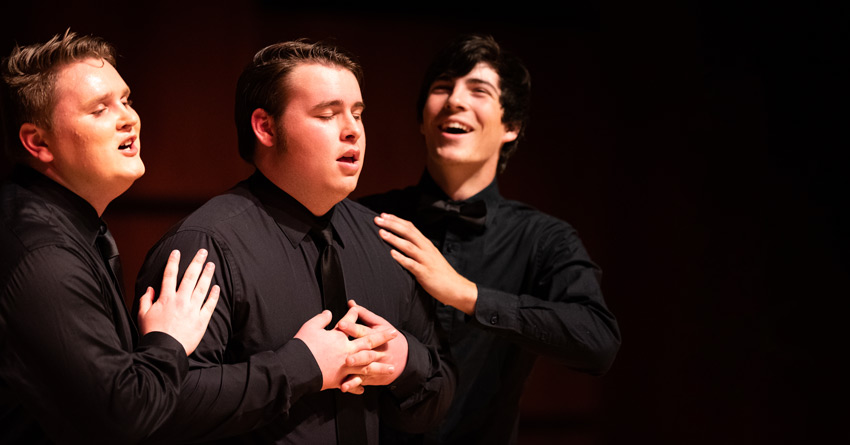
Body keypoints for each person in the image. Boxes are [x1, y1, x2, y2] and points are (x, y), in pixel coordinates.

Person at [134, 40, 455, 443]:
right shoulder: (205, 247)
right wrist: (303, 365)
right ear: (265, 127)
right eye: (327, 114)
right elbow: (165, 408)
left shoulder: (384, 239)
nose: (353, 130)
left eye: (357, 114)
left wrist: (404, 362)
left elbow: (438, 396)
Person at [360, 34, 621, 443]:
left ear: (511, 127)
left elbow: (598, 341)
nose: (454, 100)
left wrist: (467, 295)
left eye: (477, 90)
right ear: (422, 120)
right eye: (442, 87)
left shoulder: (543, 238)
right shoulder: (363, 219)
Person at [0, 30, 221, 442]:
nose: (129, 118)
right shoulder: (43, 253)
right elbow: (120, 417)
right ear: (38, 142)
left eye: (126, 100)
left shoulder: (60, 225)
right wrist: (168, 340)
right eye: (100, 109)